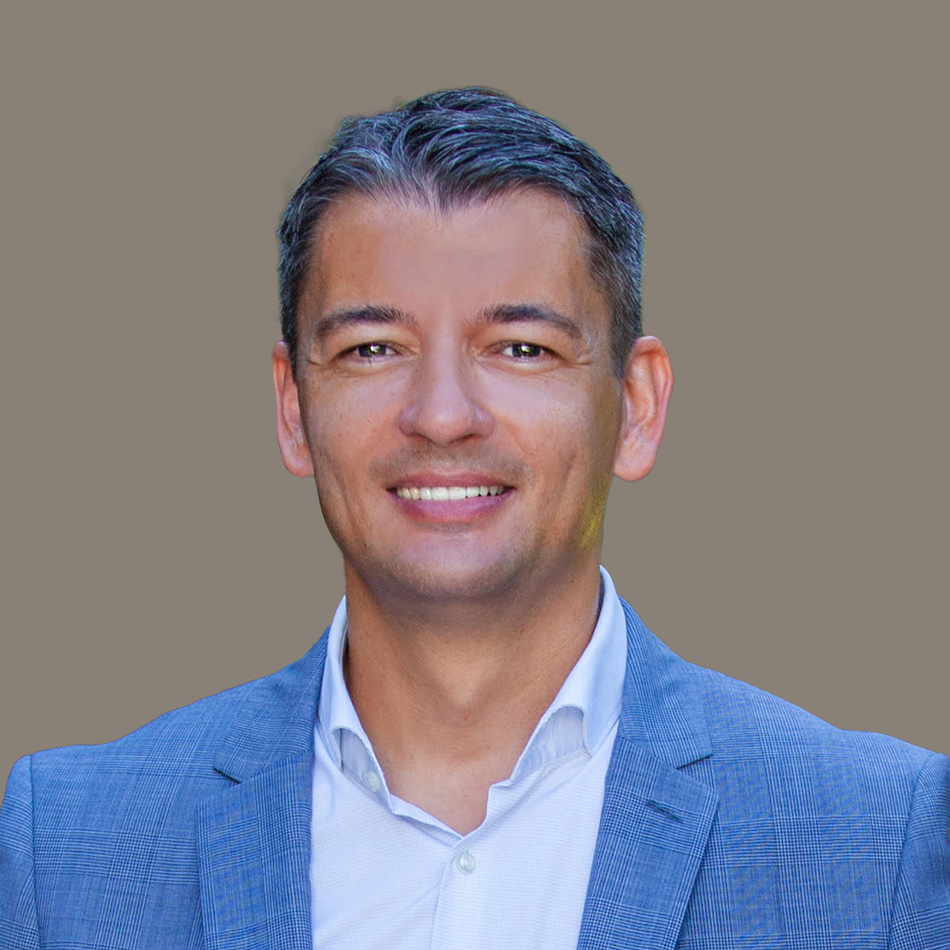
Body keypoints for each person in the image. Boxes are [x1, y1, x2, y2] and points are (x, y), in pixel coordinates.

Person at [1, 87, 947, 949]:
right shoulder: (68, 849)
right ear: (293, 408)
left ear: (637, 406)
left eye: (520, 348)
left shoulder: (880, 842)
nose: (443, 414)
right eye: (373, 348)